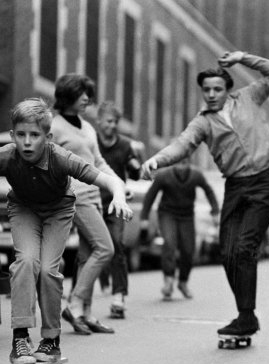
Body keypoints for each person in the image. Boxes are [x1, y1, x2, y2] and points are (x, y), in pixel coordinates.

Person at [0, 98, 132, 364]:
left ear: (48, 136)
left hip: (58, 211)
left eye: (35, 135)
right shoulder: (6, 155)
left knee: (48, 270)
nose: (28, 142)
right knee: (25, 263)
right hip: (24, 209)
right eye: (21, 135)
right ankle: (20, 339)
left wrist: (119, 197)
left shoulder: (61, 157)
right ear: (12, 136)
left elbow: (106, 178)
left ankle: (50, 341)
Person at [141, 51, 269, 337]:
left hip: (263, 182)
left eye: (217, 89)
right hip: (235, 185)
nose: (211, 94)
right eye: (206, 90)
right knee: (228, 251)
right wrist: (156, 160)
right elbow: (182, 145)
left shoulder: (249, 97)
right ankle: (246, 315)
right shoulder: (203, 122)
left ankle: (246, 315)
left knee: (244, 247)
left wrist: (243, 58)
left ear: (228, 89)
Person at [51, 74, 117, 335]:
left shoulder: (88, 127)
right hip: (75, 195)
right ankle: (74, 303)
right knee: (106, 248)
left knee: (87, 256)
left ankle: (85, 313)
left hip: (95, 195)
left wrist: (117, 185)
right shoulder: (53, 126)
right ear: (68, 95)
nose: (87, 98)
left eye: (88, 93)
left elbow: (98, 162)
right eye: (81, 93)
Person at [140, 158, 220, 300]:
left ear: (189, 164)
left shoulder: (196, 175)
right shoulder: (164, 175)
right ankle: (169, 280)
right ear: (173, 165)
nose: (181, 167)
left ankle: (183, 282)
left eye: (184, 164)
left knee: (189, 249)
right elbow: (150, 196)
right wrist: (144, 219)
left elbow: (209, 191)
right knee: (169, 242)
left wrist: (215, 211)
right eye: (178, 164)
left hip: (187, 215)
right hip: (167, 214)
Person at [96, 101, 142, 318]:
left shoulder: (124, 145)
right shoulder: (92, 142)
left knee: (116, 244)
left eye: (115, 122)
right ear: (99, 122)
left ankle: (119, 296)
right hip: (94, 201)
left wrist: (135, 166)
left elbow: (135, 174)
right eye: (108, 121)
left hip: (117, 202)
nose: (112, 125)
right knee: (88, 248)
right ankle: (79, 298)